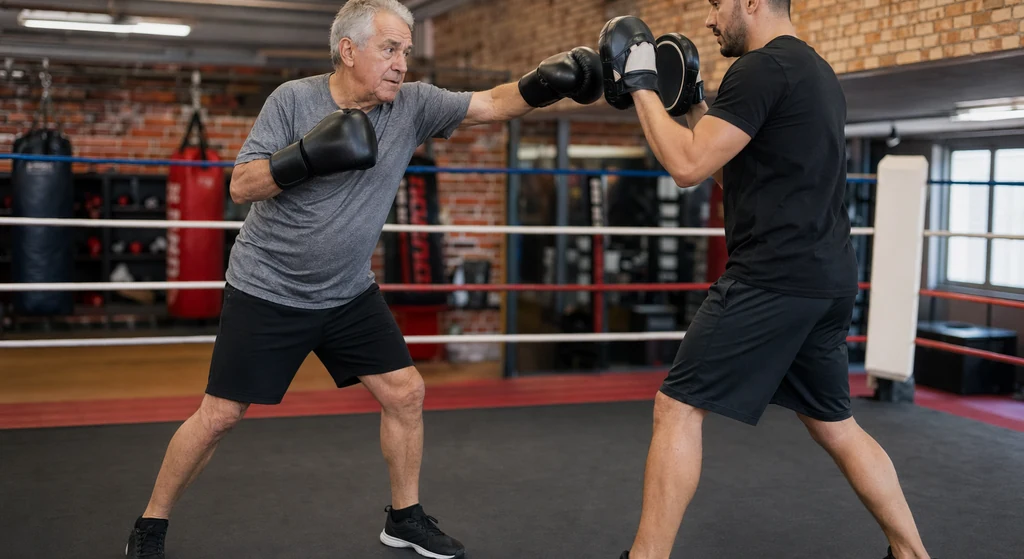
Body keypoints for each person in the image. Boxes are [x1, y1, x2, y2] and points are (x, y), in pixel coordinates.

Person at [123, 1, 604, 558]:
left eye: (407, 50)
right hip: (268, 289)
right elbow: (241, 186)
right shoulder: (294, 100)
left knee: (406, 393)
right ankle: (150, 526)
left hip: (347, 291)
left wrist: (547, 82)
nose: (402, 63)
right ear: (348, 51)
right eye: (390, 49)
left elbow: (493, 103)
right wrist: (306, 156)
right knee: (220, 415)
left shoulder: (414, 105)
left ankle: (404, 517)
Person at [597, 2, 933, 559]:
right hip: (827, 279)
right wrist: (694, 107)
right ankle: (912, 553)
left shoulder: (759, 69)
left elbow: (686, 168)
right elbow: (737, 175)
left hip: (774, 277)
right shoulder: (815, 72)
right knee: (834, 424)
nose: (709, 19)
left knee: (677, 408)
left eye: (715, 4)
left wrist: (641, 86)